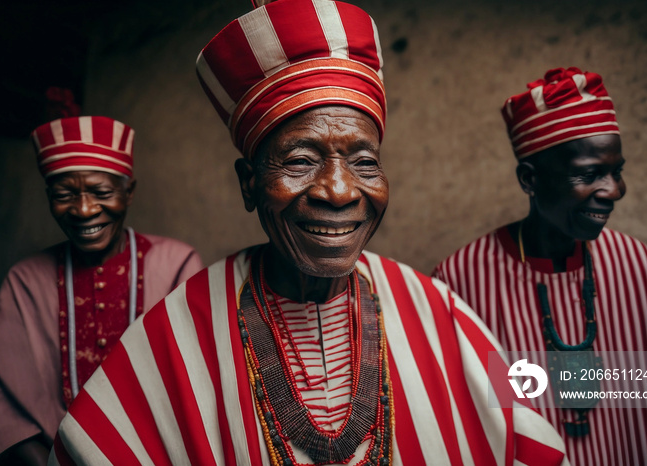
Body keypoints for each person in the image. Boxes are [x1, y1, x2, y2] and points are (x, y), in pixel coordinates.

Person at [49, 1, 568, 464]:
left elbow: (528, 436)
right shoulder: (174, 335)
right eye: (299, 161)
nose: (339, 192)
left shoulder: (443, 312)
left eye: (364, 163)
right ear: (249, 186)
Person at [432, 67, 647, 465]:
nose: (615, 191)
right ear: (530, 179)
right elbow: (465, 422)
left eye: (616, 171)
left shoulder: (638, 265)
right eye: (590, 174)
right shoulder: (461, 280)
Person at [0, 115, 204, 465]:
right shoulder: (25, 281)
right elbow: (6, 411)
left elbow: (197, 392)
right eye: (64, 195)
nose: (84, 210)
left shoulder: (177, 264)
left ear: (128, 193)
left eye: (101, 193)